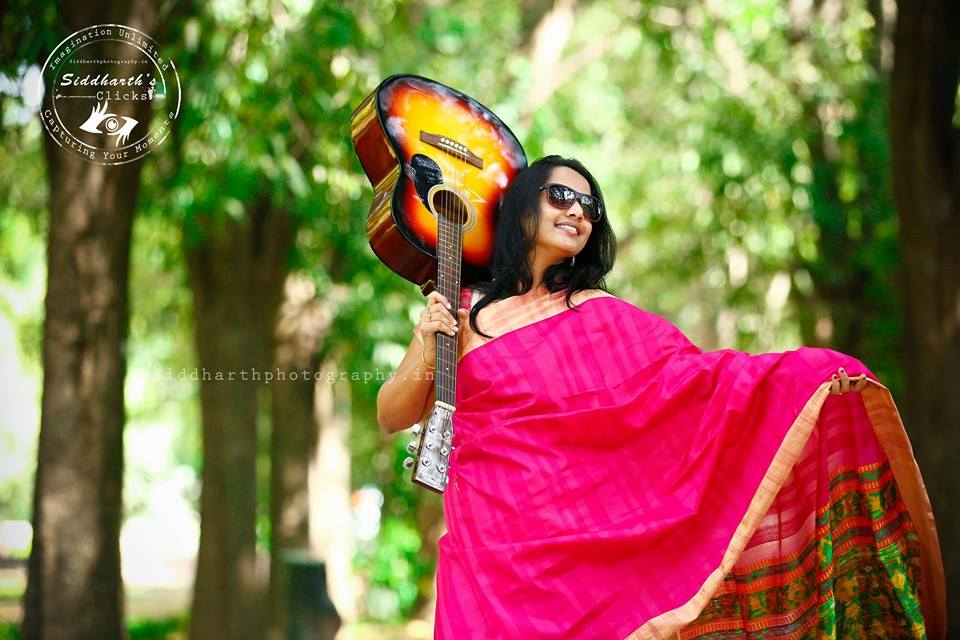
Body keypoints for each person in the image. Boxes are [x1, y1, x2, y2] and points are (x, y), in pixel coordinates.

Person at [376, 156, 946, 639]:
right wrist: (428, 340)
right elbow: (392, 413)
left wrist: (807, 376)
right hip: (485, 550)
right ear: (524, 204)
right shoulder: (462, 308)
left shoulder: (599, 314)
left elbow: (695, 383)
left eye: (589, 205)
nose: (578, 211)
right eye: (562, 196)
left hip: (577, 563)